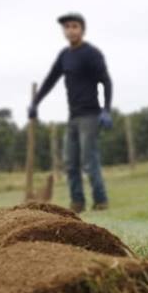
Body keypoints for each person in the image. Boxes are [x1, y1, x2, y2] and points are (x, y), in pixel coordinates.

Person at [29, 12, 113, 213]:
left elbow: (106, 81)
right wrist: (35, 102)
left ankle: (100, 201)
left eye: (74, 26)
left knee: (88, 159)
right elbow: (50, 79)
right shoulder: (64, 56)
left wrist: (106, 109)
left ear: (82, 29)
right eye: (67, 27)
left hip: (90, 115)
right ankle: (77, 203)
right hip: (73, 116)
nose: (70, 30)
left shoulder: (91, 54)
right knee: (70, 162)